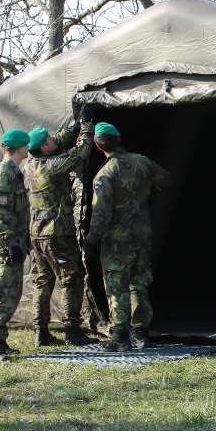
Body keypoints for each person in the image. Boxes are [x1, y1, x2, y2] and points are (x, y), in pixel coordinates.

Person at [84, 122, 171, 352]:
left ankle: (120, 337)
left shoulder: (105, 174)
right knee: (139, 283)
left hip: (117, 240)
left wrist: (91, 240)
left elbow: (101, 214)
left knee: (117, 286)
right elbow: (166, 180)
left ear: (97, 144)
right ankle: (141, 335)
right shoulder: (141, 162)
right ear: (118, 139)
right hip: (141, 235)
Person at [22, 105, 98, 346]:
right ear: (44, 148)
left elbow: (59, 142)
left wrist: (72, 125)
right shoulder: (52, 167)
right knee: (71, 277)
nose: (55, 138)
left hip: (37, 233)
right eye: (50, 139)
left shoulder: (31, 165)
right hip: (58, 233)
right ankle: (72, 329)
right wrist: (86, 126)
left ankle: (40, 330)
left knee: (43, 280)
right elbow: (81, 152)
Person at [0, 128, 31, 362]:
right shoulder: (4, 174)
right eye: (26, 146)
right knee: (4, 295)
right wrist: (11, 243)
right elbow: (0, 214)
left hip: (12, 244)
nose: (28, 149)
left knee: (11, 294)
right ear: (20, 148)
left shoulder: (13, 172)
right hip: (4, 248)